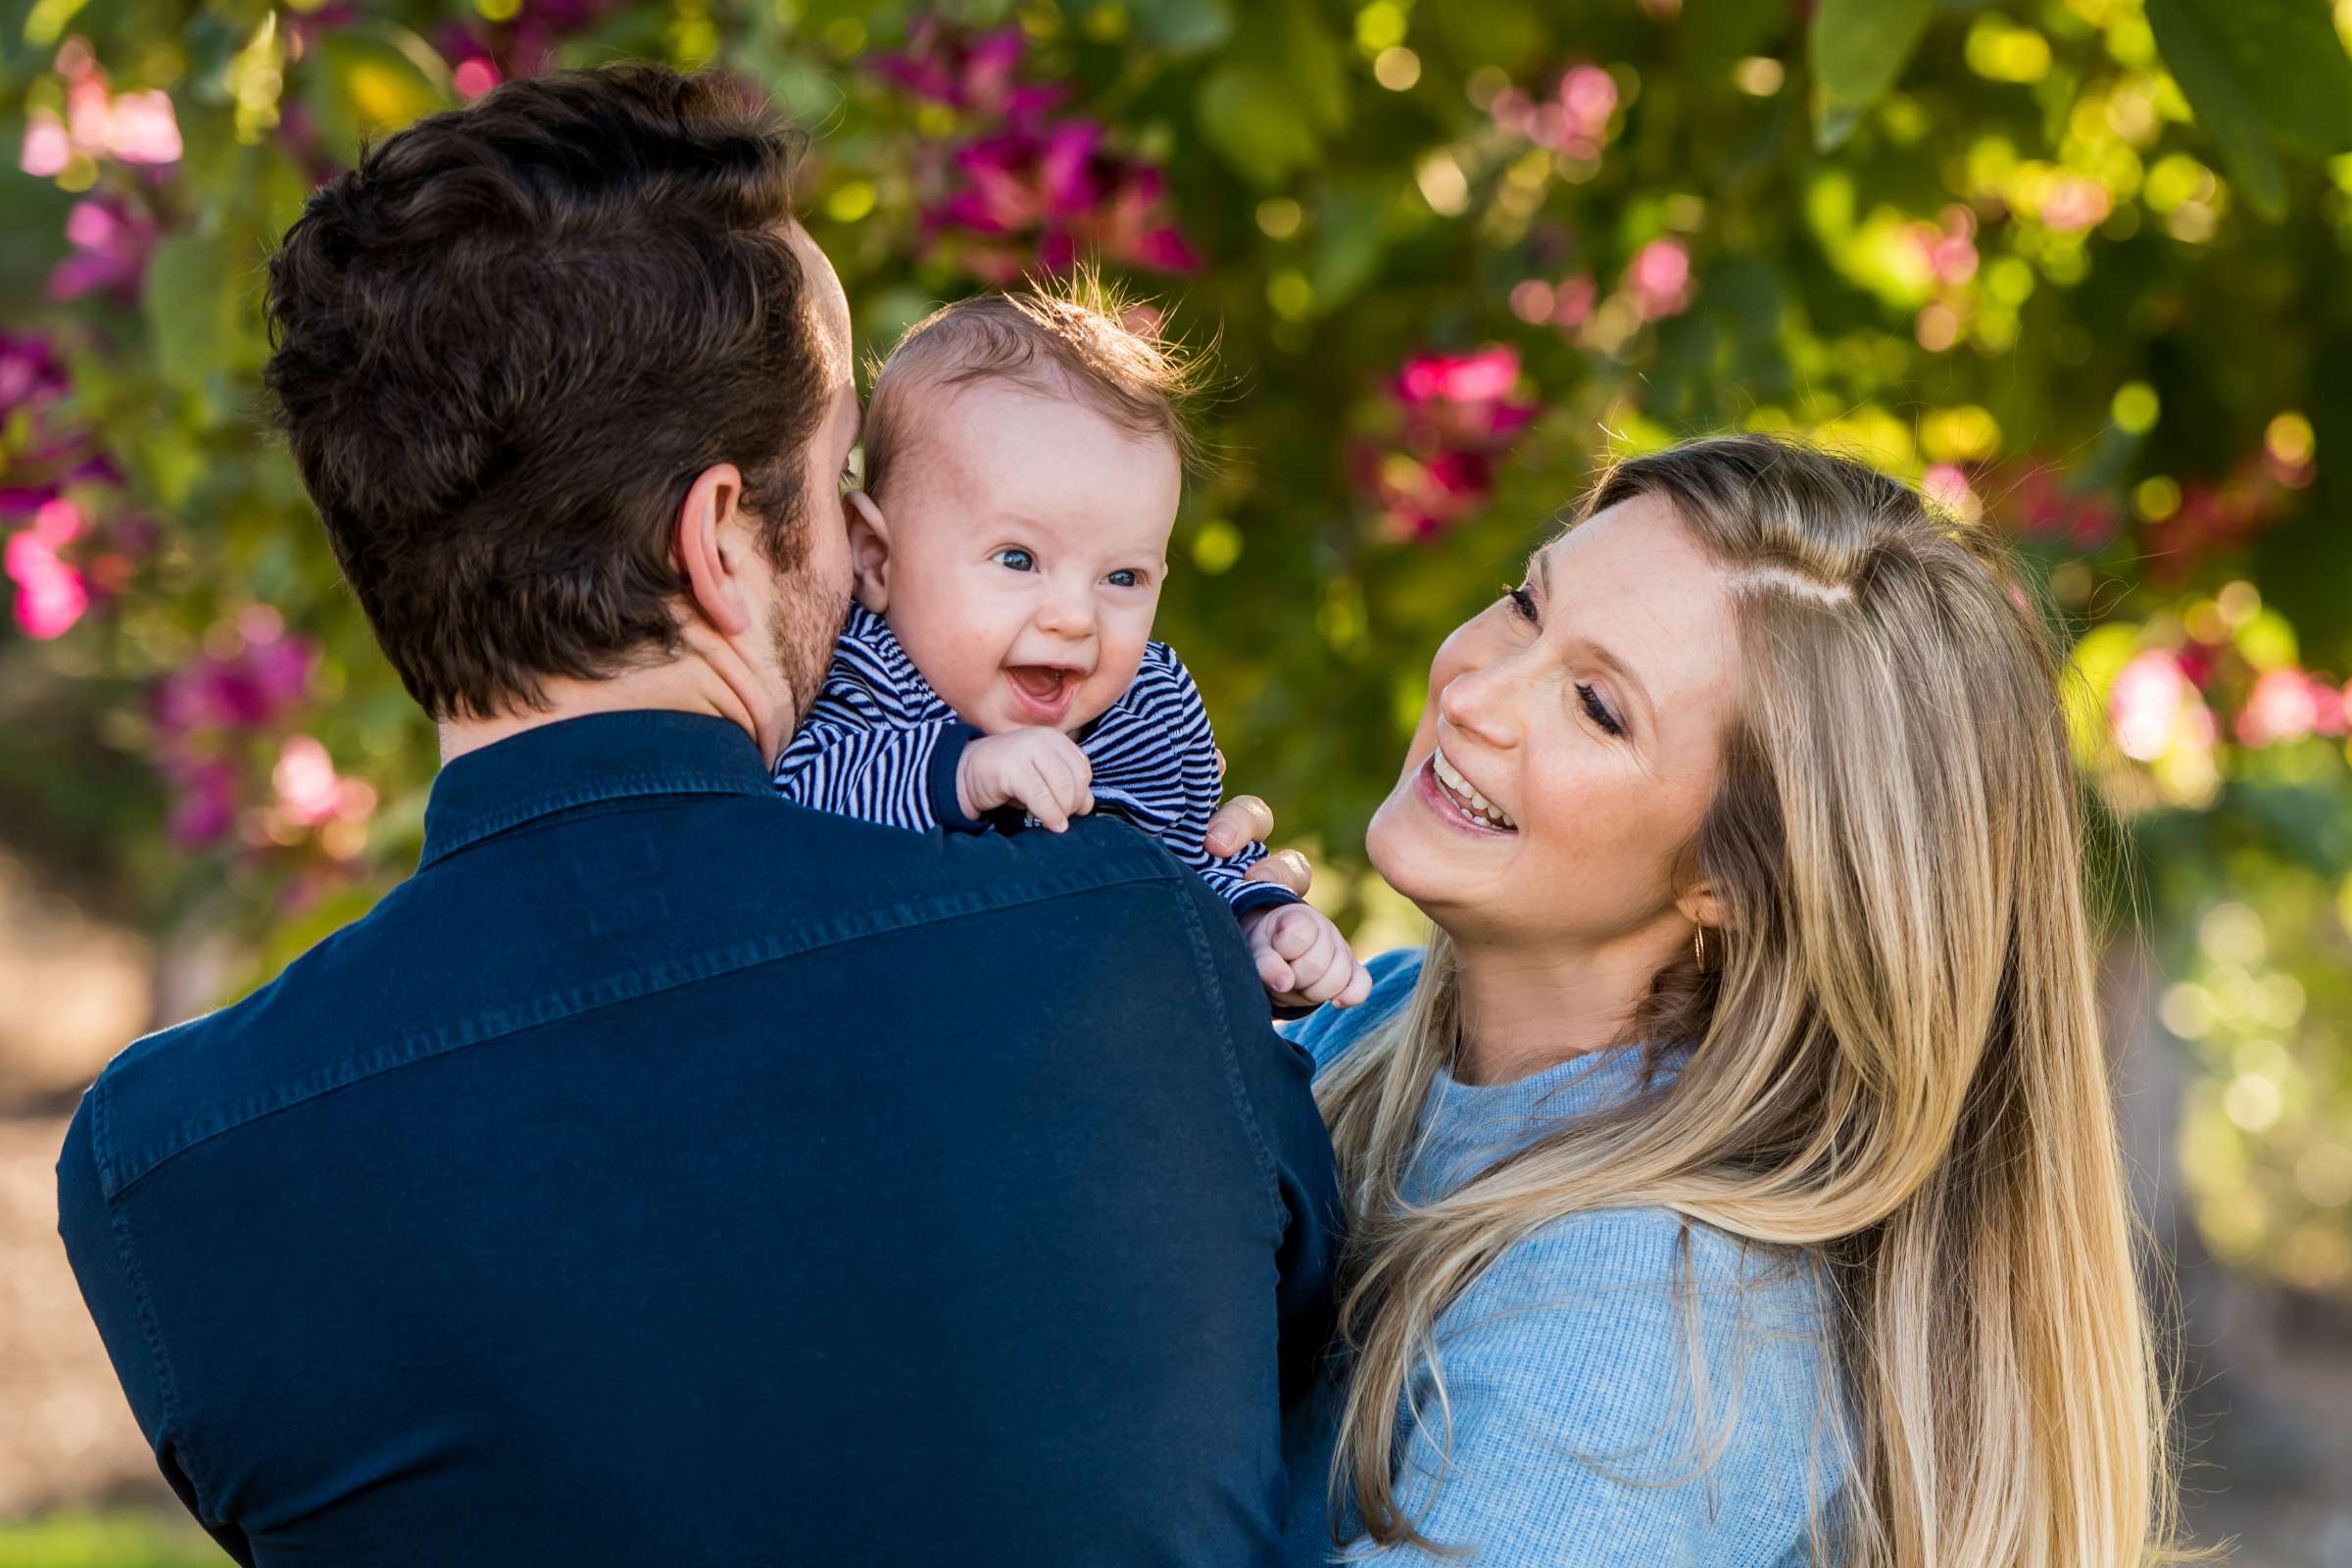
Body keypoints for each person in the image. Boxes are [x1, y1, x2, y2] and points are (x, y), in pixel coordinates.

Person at [56, 65, 1340, 1567]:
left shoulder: (169, 1165)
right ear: (721, 540)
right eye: (840, 475)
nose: (868, 557)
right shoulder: (1118, 944)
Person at [1283, 435, 2182, 1566]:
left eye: (1597, 706)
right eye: (1524, 603)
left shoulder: (1656, 1338)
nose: (1475, 691)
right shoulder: (1364, 1021)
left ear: (1730, 877)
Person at [775, 282, 1370, 1012]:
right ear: (874, 558)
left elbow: (1195, 858)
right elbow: (792, 807)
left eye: (1122, 576)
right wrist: (962, 774)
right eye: (1019, 560)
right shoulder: (865, 671)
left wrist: (1264, 926)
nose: (1075, 619)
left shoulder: (1147, 708)